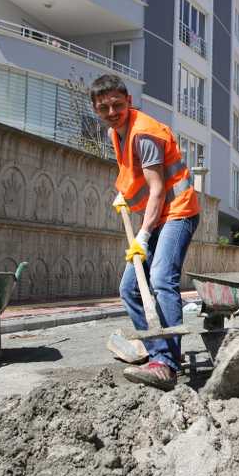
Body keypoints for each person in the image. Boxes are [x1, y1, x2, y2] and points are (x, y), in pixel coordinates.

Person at [90, 74, 201, 391]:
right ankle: (157, 350)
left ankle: (167, 364)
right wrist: (123, 193)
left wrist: (143, 236)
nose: (112, 112)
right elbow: (133, 174)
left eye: (117, 105)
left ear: (128, 102)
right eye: (104, 107)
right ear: (96, 110)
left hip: (177, 212)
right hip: (157, 215)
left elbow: (156, 190)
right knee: (129, 288)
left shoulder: (144, 135)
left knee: (161, 279)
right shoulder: (117, 131)